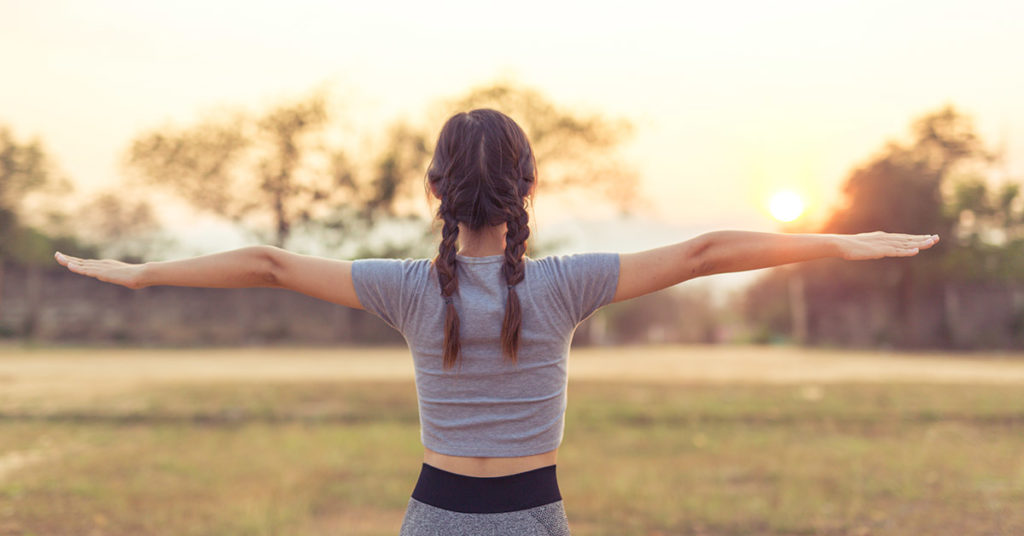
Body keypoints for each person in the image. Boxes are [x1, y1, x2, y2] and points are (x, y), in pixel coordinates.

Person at [55, 108, 939, 535]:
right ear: (529, 190)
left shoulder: (406, 286)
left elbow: (271, 264)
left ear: (434, 190)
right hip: (532, 517)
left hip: (433, 516)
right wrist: (841, 241)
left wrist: (146, 273)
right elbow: (705, 251)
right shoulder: (563, 284)